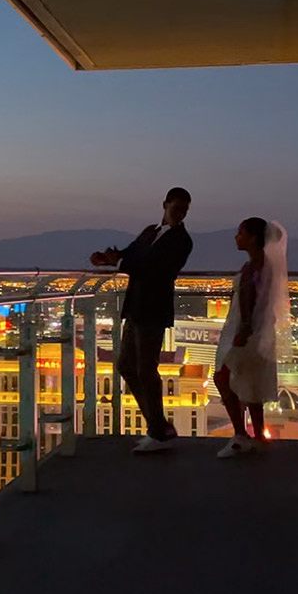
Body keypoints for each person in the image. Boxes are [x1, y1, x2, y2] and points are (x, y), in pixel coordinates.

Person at [91, 187, 193, 453]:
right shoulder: (150, 231)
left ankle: (158, 431)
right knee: (127, 365)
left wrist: (120, 261)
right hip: (136, 307)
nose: (180, 214)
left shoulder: (182, 241)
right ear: (165, 204)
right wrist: (110, 258)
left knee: (145, 368)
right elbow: (133, 254)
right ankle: (159, 426)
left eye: (184, 210)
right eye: (177, 208)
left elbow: (153, 266)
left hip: (153, 310)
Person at [213, 217, 289, 458]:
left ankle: (240, 434)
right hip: (258, 331)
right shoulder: (265, 266)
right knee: (251, 379)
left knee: (223, 377)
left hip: (245, 331)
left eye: (240, 233)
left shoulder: (252, 269)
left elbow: (249, 302)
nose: (236, 237)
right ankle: (257, 435)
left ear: (253, 238)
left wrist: (242, 332)